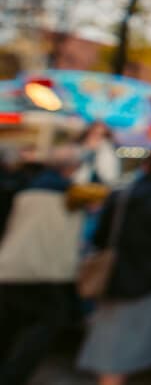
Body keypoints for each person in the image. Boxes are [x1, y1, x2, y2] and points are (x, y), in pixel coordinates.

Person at [76, 149, 151, 385]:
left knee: (110, 338)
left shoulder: (120, 196)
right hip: (147, 278)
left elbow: (100, 237)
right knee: (127, 344)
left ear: (145, 166)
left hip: (113, 274)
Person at [0, 146, 100, 385]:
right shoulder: (73, 195)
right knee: (46, 323)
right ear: (72, 168)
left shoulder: (24, 190)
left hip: (10, 267)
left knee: (10, 327)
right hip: (47, 272)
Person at [76, 121, 121, 185]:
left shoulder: (108, 151)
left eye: (101, 135)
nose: (96, 137)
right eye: (94, 133)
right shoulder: (79, 148)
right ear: (88, 133)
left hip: (103, 184)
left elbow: (110, 174)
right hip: (79, 184)